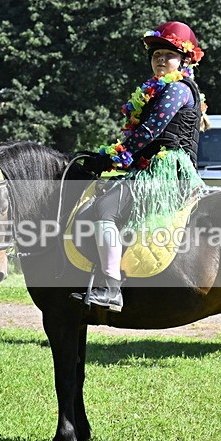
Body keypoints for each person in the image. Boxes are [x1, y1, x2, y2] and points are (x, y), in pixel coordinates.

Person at [75, 21, 208, 312]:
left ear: (184, 59)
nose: (160, 59)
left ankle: (111, 289)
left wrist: (110, 158)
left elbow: (149, 131)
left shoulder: (177, 90)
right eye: (156, 54)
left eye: (168, 55)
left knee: (105, 211)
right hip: (149, 165)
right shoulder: (163, 88)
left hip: (168, 169)